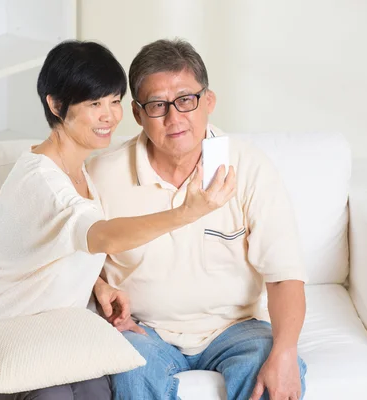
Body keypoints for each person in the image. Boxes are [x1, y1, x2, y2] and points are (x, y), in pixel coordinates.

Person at [0, 40, 236, 400]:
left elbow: (60, 248)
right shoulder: (43, 181)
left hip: (44, 332)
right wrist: (186, 213)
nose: (108, 115)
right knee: (53, 396)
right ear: (56, 104)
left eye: (113, 101)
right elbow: (103, 237)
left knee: (101, 387)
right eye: (94, 103)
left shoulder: (80, 172)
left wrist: (99, 287)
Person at [87, 39, 308, 400]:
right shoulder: (102, 174)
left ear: (208, 102)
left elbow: (285, 275)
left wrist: (285, 350)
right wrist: (100, 290)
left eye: (186, 100)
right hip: (144, 330)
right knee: (126, 366)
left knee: (277, 366)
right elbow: (76, 259)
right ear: (138, 114)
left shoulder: (249, 166)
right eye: (158, 105)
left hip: (237, 328)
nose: (174, 118)